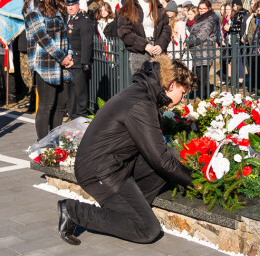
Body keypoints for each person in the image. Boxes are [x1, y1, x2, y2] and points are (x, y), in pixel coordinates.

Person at [57, 55, 197, 246]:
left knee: (170, 156)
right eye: (183, 93)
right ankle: (73, 211)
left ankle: (129, 209)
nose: (182, 100)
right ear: (171, 85)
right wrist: (195, 182)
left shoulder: (143, 93)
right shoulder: (141, 103)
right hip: (99, 170)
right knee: (148, 231)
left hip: (116, 163)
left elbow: (159, 153)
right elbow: (160, 159)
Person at [23, 0, 74, 140]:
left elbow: (63, 36)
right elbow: (41, 37)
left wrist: (69, 55)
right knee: (47, 104)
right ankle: (43, 146)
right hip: (45, 64)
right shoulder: (33, 4)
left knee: (61, 105)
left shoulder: (56, 4)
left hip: (62, 63)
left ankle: (55, 143)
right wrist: (61, 57)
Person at [117, 0, 171, 75]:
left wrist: (160, 44)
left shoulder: (158, 6)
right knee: (142, 87)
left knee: (159, 87)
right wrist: (145, 45)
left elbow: (166, 28)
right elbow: (124, 32)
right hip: (139, 53)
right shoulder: (128, 7)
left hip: (158, 51)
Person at [65, 0, 94, 119]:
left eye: (73, 5)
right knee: (71, 90)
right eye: (68, 5)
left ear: (78, 5)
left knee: (80, 90)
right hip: (68, 60)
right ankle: (72, 114)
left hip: (78, 60)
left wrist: (85, 62)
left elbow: (87, 42)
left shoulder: (84, 21)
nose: (71, 8)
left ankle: (81, 116)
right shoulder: (67, 19)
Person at [185, 0, 218, 98]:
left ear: (209, 9)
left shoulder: (210, 20)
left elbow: (201, 35)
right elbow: (192, 33)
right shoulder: (199, 19)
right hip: (197, 51)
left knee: (203, 77)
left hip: (204, 51)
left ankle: (205, 97)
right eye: (200, 8)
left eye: (204, 8)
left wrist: (188, 42)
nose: (202, 10)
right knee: (197, 76)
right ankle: (197, 94)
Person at [17, 0, 36, 111]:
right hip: (23, 43)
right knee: (25, 75)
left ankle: (34, 100)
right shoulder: (21, 5)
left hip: (33, 44)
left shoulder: (35, 5)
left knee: (33, 75)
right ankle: (31, 97)